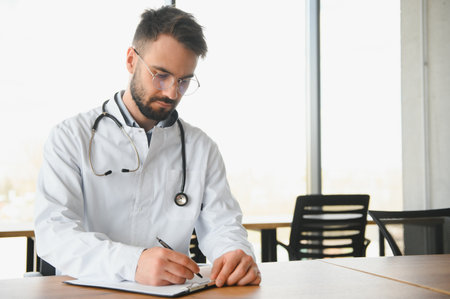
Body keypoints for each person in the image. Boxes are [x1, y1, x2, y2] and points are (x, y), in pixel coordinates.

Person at [34, 6, 261, 287]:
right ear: (131, 60)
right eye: (161, 75)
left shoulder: (201, 147)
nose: (171, 92)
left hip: (173, 292)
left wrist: (234, 254)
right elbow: (54, 235)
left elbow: (223, 225)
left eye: (184, 81)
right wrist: (132, 263)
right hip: (89, 290)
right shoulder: (70, 137)